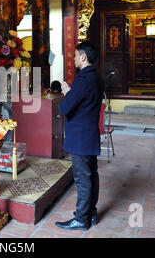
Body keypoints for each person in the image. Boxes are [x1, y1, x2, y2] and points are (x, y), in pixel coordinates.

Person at [55, 41, 104, 231]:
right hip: (90, 133)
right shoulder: (97, 78)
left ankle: (81, 219)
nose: (74, 59)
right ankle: (90, 214)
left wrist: (68, 93)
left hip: (80, 138)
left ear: (83, 57)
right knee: (92, 176)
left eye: (76, 56)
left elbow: (65, 108)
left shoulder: (83, 80)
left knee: (83, 180)